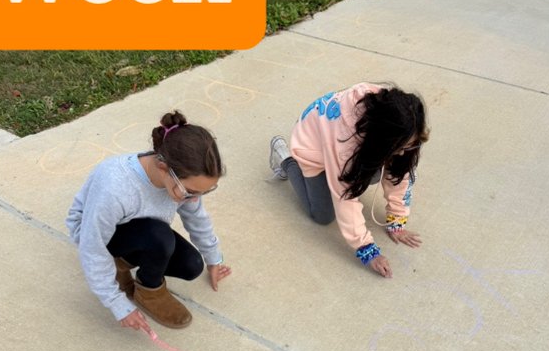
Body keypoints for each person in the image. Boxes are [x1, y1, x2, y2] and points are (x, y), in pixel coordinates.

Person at [66, 110, 230, 331]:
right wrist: (117, 303)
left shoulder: (184, 184)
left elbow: (197, 218)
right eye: (190, 191)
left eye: (203, 192)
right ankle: (149, 292)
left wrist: (213, 259)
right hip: (100, 234)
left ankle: (124, 266)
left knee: (191, 266)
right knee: (159, 237)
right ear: (163, 167)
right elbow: (92, 245)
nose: (194, 198)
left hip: (145, 233)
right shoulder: (116, 188)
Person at [268, 85, 428, 278]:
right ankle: (285, 157)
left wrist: (397, 218)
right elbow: (345, 196)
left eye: (409, 145)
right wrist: (367, 249)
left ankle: (334, 172)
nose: (404, 151)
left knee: (384, 168)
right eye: (399, 147)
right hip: (310, 146)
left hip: (338, 142)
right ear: (382, 139)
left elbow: (400, 172)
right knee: (322, 216)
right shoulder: (346, 145)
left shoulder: (400, 114)